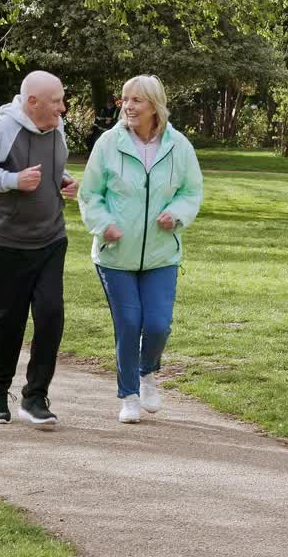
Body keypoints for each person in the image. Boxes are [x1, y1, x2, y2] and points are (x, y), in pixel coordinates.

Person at [78, 75, 203, 423]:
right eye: (125, 99)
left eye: (136, 100)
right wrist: (104, 225)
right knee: (129, 323)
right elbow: (90, 194)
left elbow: (191, 192)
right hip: (115, 255)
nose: (128, 107)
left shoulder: (179, 146)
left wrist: (176, 215)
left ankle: (148, 372)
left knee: (159, 324)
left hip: (162, 254)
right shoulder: (108, 143)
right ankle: (129, 394)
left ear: (154, 106)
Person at [0, 71, 78, 425]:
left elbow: (50, 168)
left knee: (50, 316)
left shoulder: (57, 128)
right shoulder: (2, 129)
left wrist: (64, 180)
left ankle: (35, 396)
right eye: (57, 100)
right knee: (10, 321)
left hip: (51, 239)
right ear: (33, 102)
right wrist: (12, 180)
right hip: (9, 243)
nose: (63, 107)